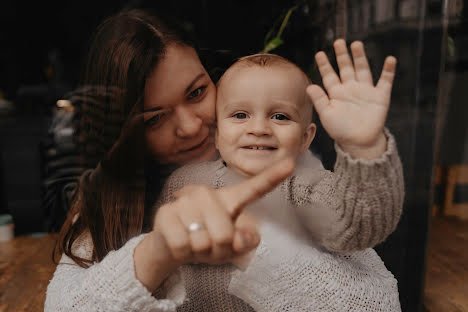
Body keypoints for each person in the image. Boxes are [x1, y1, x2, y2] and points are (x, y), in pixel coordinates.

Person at [44, 8, 402, 312]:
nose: (190, 126)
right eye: (154, 118)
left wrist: (364, 148)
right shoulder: (112, 202)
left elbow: (378, 302)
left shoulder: (297, 177)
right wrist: (158, 252)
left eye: (197, 92)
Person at [153, 51, 404, 311]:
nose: (259, 128)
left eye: (280, 117)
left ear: (305, 139)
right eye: (240, 115)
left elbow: (358, 223)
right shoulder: (183, 182)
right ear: (217, 134)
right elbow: (157, 264)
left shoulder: (304, 188)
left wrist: (363, 147)